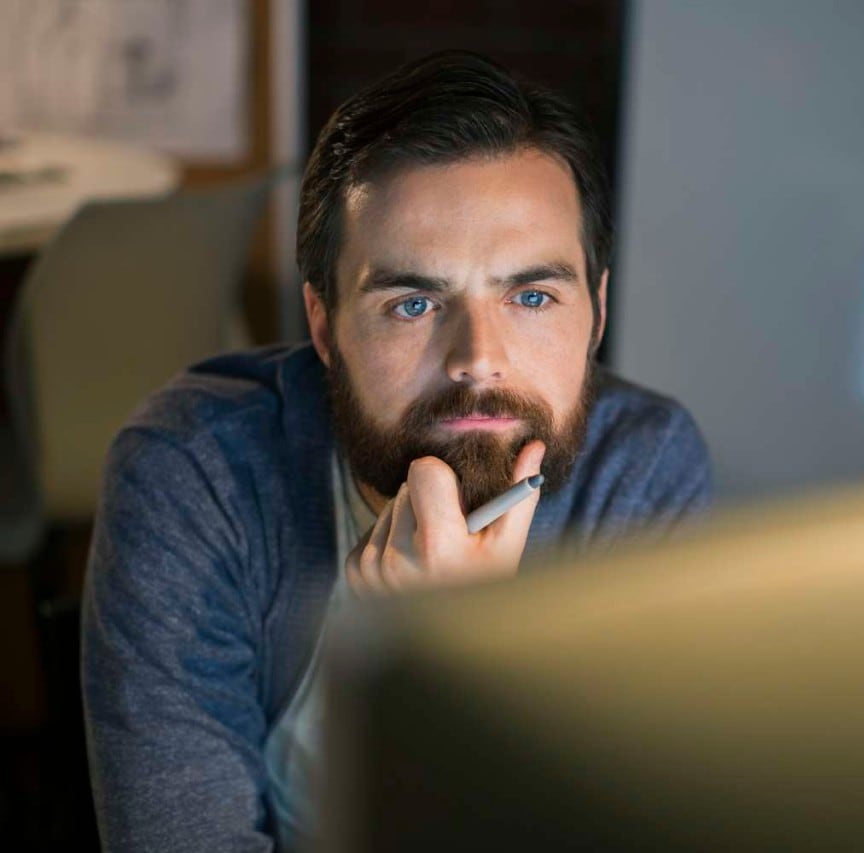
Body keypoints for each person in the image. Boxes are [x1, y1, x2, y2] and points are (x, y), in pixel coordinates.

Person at [81, 50, 711, 851]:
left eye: (530, 296)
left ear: (596, 312)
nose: (477, 357)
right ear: (322, 324)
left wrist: (448, 662)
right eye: (413, 302)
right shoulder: (197, 473)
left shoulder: (641, 471)